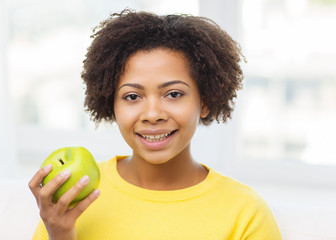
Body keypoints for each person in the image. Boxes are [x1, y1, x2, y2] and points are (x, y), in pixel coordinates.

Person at [29, 8, 281, 240]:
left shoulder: (245, 213)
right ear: (111, 104)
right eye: (132, 96)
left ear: (204, 101)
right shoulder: (75, 195)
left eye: (173, 94)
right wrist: (60, 233)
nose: (152, 114)